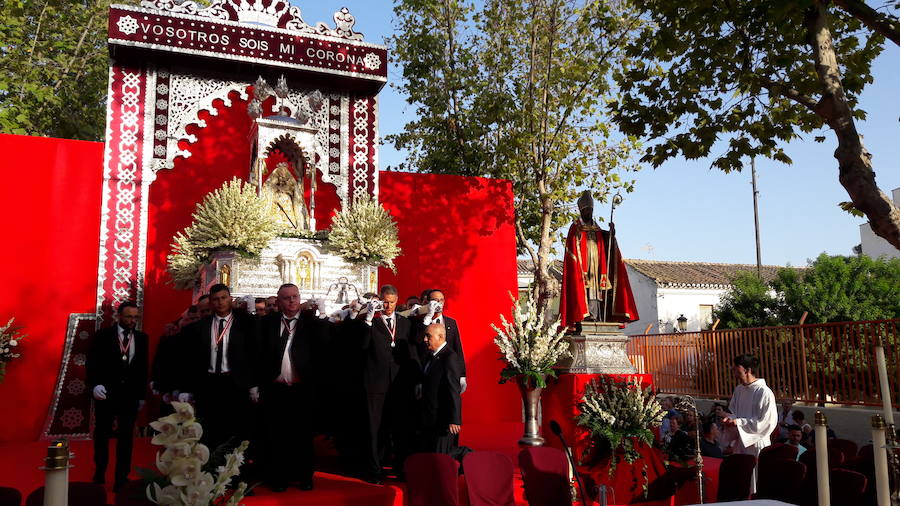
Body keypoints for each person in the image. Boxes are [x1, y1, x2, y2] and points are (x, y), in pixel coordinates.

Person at [255, 283, 326, 492]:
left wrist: (321, 314)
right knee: (276, 436)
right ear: (278, 301)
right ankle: (279, 477)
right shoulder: (266, 323)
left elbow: (324, 345)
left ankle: (304, 476)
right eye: (286, 298)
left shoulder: (311, 323)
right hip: (274, 389)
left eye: (295, 296)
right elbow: (259, 354)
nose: (292, 301)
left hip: (302, 389)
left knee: (302, 435)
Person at [350, 284, 419, 484]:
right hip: (375, 385)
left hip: (400, 384)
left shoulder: (405, 323)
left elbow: (413, 350)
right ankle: (374, 470)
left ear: (397, 301)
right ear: (379, 300)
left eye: (391, 302)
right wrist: (369, 320)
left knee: (400, 428)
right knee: (375, 429)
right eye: (384, 301)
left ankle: (400, 468)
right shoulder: (370, 322)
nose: (387, 305)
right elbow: (361, 347)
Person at [179, 284, 257, 459]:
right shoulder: (199, 327)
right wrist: (186, 388)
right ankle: (210, 475)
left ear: (230, 299)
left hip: (235, 384)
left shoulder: (246, 324)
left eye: (223, 298)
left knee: (236, 430)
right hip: (208, 384)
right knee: (209, 430)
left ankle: (235, 475)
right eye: (216, 299)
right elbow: (190, 361)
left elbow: (254, 356)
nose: (220, 302)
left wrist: (253, 384)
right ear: (211, 303)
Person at [86, 301, 149, 491]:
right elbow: (92, 363)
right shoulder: (102, 336)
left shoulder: (142, 338)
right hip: (106, 393)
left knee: (126, 438)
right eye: (129, 316)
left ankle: (121, 477)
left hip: (129, 396)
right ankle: (99, 471)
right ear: (119, 316)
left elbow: (142, 368)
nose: (132, 320)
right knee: (102, 434)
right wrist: (94, 386)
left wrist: (141, 395)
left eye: (135, 317)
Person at [559, 190, 639, 328]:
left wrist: (610, 234)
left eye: (590, 210)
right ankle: (586, 315)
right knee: (586, 290)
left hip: (597, 267)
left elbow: (604, 240)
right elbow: (572, 246)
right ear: (581, 210)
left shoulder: (596, 228)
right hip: (583, 267)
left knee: (597, 291)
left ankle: (598, 315)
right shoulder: (576, 227)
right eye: (586, 210)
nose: (589, 212)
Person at [720, 353, 778, 492]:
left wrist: (738, 422)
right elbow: (735, 412)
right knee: (740, 484)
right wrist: (729, 419)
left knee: (755, 484)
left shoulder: (764, 392)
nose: (733, 370)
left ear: (747, 369)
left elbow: (767, 422)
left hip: (756, 443)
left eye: (736, 367)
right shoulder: (739, 390)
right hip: (741, 443)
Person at [419, 322, 463, 455]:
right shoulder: (431, 356)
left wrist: (454, 419)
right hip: (430, 418)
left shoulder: (449, 357)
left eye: (428, 336)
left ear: (441, 337)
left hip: (443, 420)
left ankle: (469, 457)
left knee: (443, 455)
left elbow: (453, 389)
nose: (425, 339)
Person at [417, 289, 467, 393]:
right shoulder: (422, 322)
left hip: (448, 373)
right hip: (428, 374)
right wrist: (428, 318)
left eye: (441, 300)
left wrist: (462, 375)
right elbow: (417, 344)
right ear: (428, 302)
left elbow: (457, 348)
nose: (438, 304)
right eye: (435, 300)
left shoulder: (451, 323)